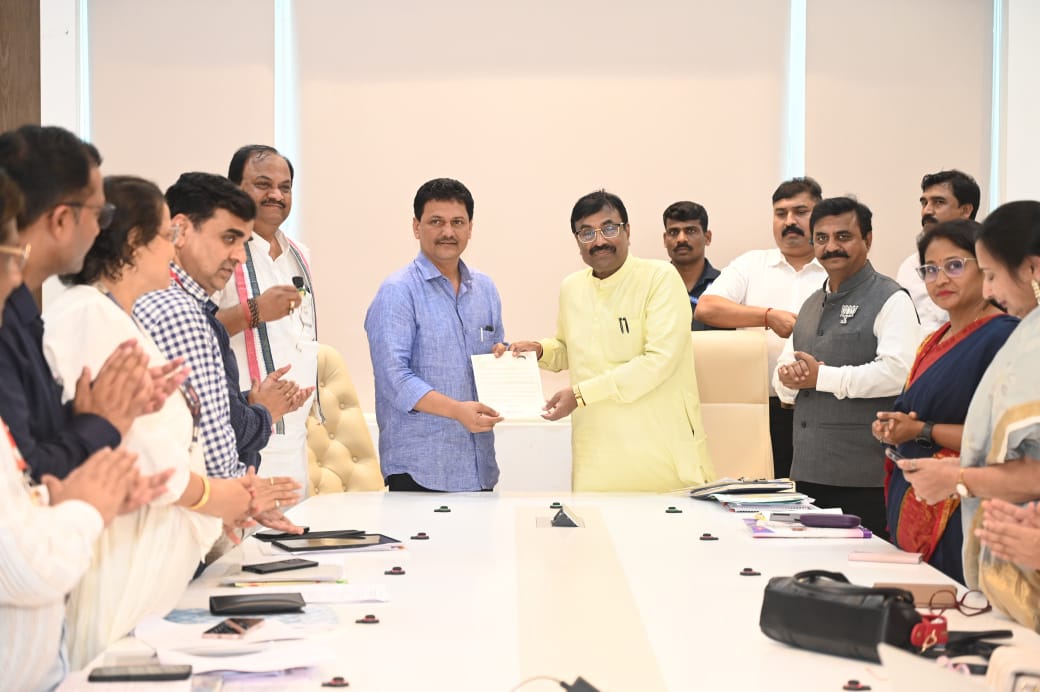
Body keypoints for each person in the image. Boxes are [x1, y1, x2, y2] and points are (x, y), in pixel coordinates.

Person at [43, 175, 274, 667]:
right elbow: (135, 450)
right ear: (134, 243)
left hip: (147, 557)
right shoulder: (89, 315)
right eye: (167, 235)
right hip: (119, 555)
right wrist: (219, 496)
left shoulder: (115, 317)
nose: (173, 248)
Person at [0, 167, 171, 690]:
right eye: (9, 258)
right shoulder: (83, 311)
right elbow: (26, 565)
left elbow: (27, 480)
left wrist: (65, 493)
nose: (15, 280)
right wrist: (87, 499)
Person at [0, 125, 179, 481]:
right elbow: (26, 473)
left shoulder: (22, 312)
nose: (100, 230)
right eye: (100, 215)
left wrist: (105, 408)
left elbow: (36, 433)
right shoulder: (61, 313)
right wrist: (101, 422)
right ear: (62, 220)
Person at [502, 190, 714, 492]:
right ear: (577, 241)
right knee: (594, 521)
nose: (599, 240)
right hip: (596, 452)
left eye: (609, 228)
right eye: (586, 232)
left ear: (628, 231)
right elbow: (570, 348)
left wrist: (580, 395)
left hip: (659, 452)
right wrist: (539, 351)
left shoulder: (660, 278)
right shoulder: (572, 287)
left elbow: (658, 362)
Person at [133, 172, 305, 533]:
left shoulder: (181, 304)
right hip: (189, 518)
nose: (239, 257)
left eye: (243, 243)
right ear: (180, 230)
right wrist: (242, 500)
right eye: (229, 238)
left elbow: (193, 411)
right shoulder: (180, 312)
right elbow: (212, 445)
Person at [898, 200, 1040, 631]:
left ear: (1032, 269)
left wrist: (958, 478)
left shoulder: (1014, 336)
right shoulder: (1026, 332)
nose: (991, 291)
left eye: (991, 274)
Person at [871, 220, 1016, 582]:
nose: (941, 279)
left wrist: (921, 430)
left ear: (986, 267)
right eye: (930, 269)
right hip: (918, 497)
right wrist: (895, 427)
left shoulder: (1003, 336)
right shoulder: (935, 338)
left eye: (955, 265)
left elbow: (1002, 439)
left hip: (966, 507)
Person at [774, 197, 918, 537]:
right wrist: (788, 378)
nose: (831, 247)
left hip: (864, 477)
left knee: (862, 566)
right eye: (822, 238)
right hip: (807, 472)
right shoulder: (810, 303)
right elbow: (784, 377)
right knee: (808, 566)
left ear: (868, 239)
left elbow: (898, 373)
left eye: (843, 236)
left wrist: (821, 377)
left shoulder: (891, 298)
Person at [365, 178, 504, 491]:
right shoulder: (397, 292)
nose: (448, 232)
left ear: (470, 228)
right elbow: (395, 379)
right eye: (436, 222)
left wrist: (506, 356)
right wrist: (457, 411)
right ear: (417, 227)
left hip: (480, 467)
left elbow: (492, 357)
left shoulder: (485, 289)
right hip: (420, 471)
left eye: (458, 222)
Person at [695, 178, 828, 479]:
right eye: (781, 213)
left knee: (815, 495)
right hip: (759, 409)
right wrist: (767, 317)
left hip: (821, 405)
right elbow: (707, 307)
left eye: (800, 212)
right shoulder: (752, 264)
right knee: (760, 493)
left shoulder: (834, 268)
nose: (789, 221)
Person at [218, 145, 318, 492]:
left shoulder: (299, 254)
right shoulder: (221, 251)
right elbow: (199, 328)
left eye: (285, 187)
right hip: (245, 432)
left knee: (296, 526)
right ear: (235, 189)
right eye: (263, 184)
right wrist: (254, 311)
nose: (276, 195)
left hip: (296, 435)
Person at [895, 170, 981, 337]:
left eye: (939, 202)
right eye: (924, 203)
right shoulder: (909, 267)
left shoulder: (988, 259)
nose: (927, 211)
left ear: (965, 210)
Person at [661, 201, 720, 330]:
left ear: (707, 237)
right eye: (673, 232)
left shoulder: (725, 285)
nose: (681, 239)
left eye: (690, 231)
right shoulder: (654, 287)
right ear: (665, 239)